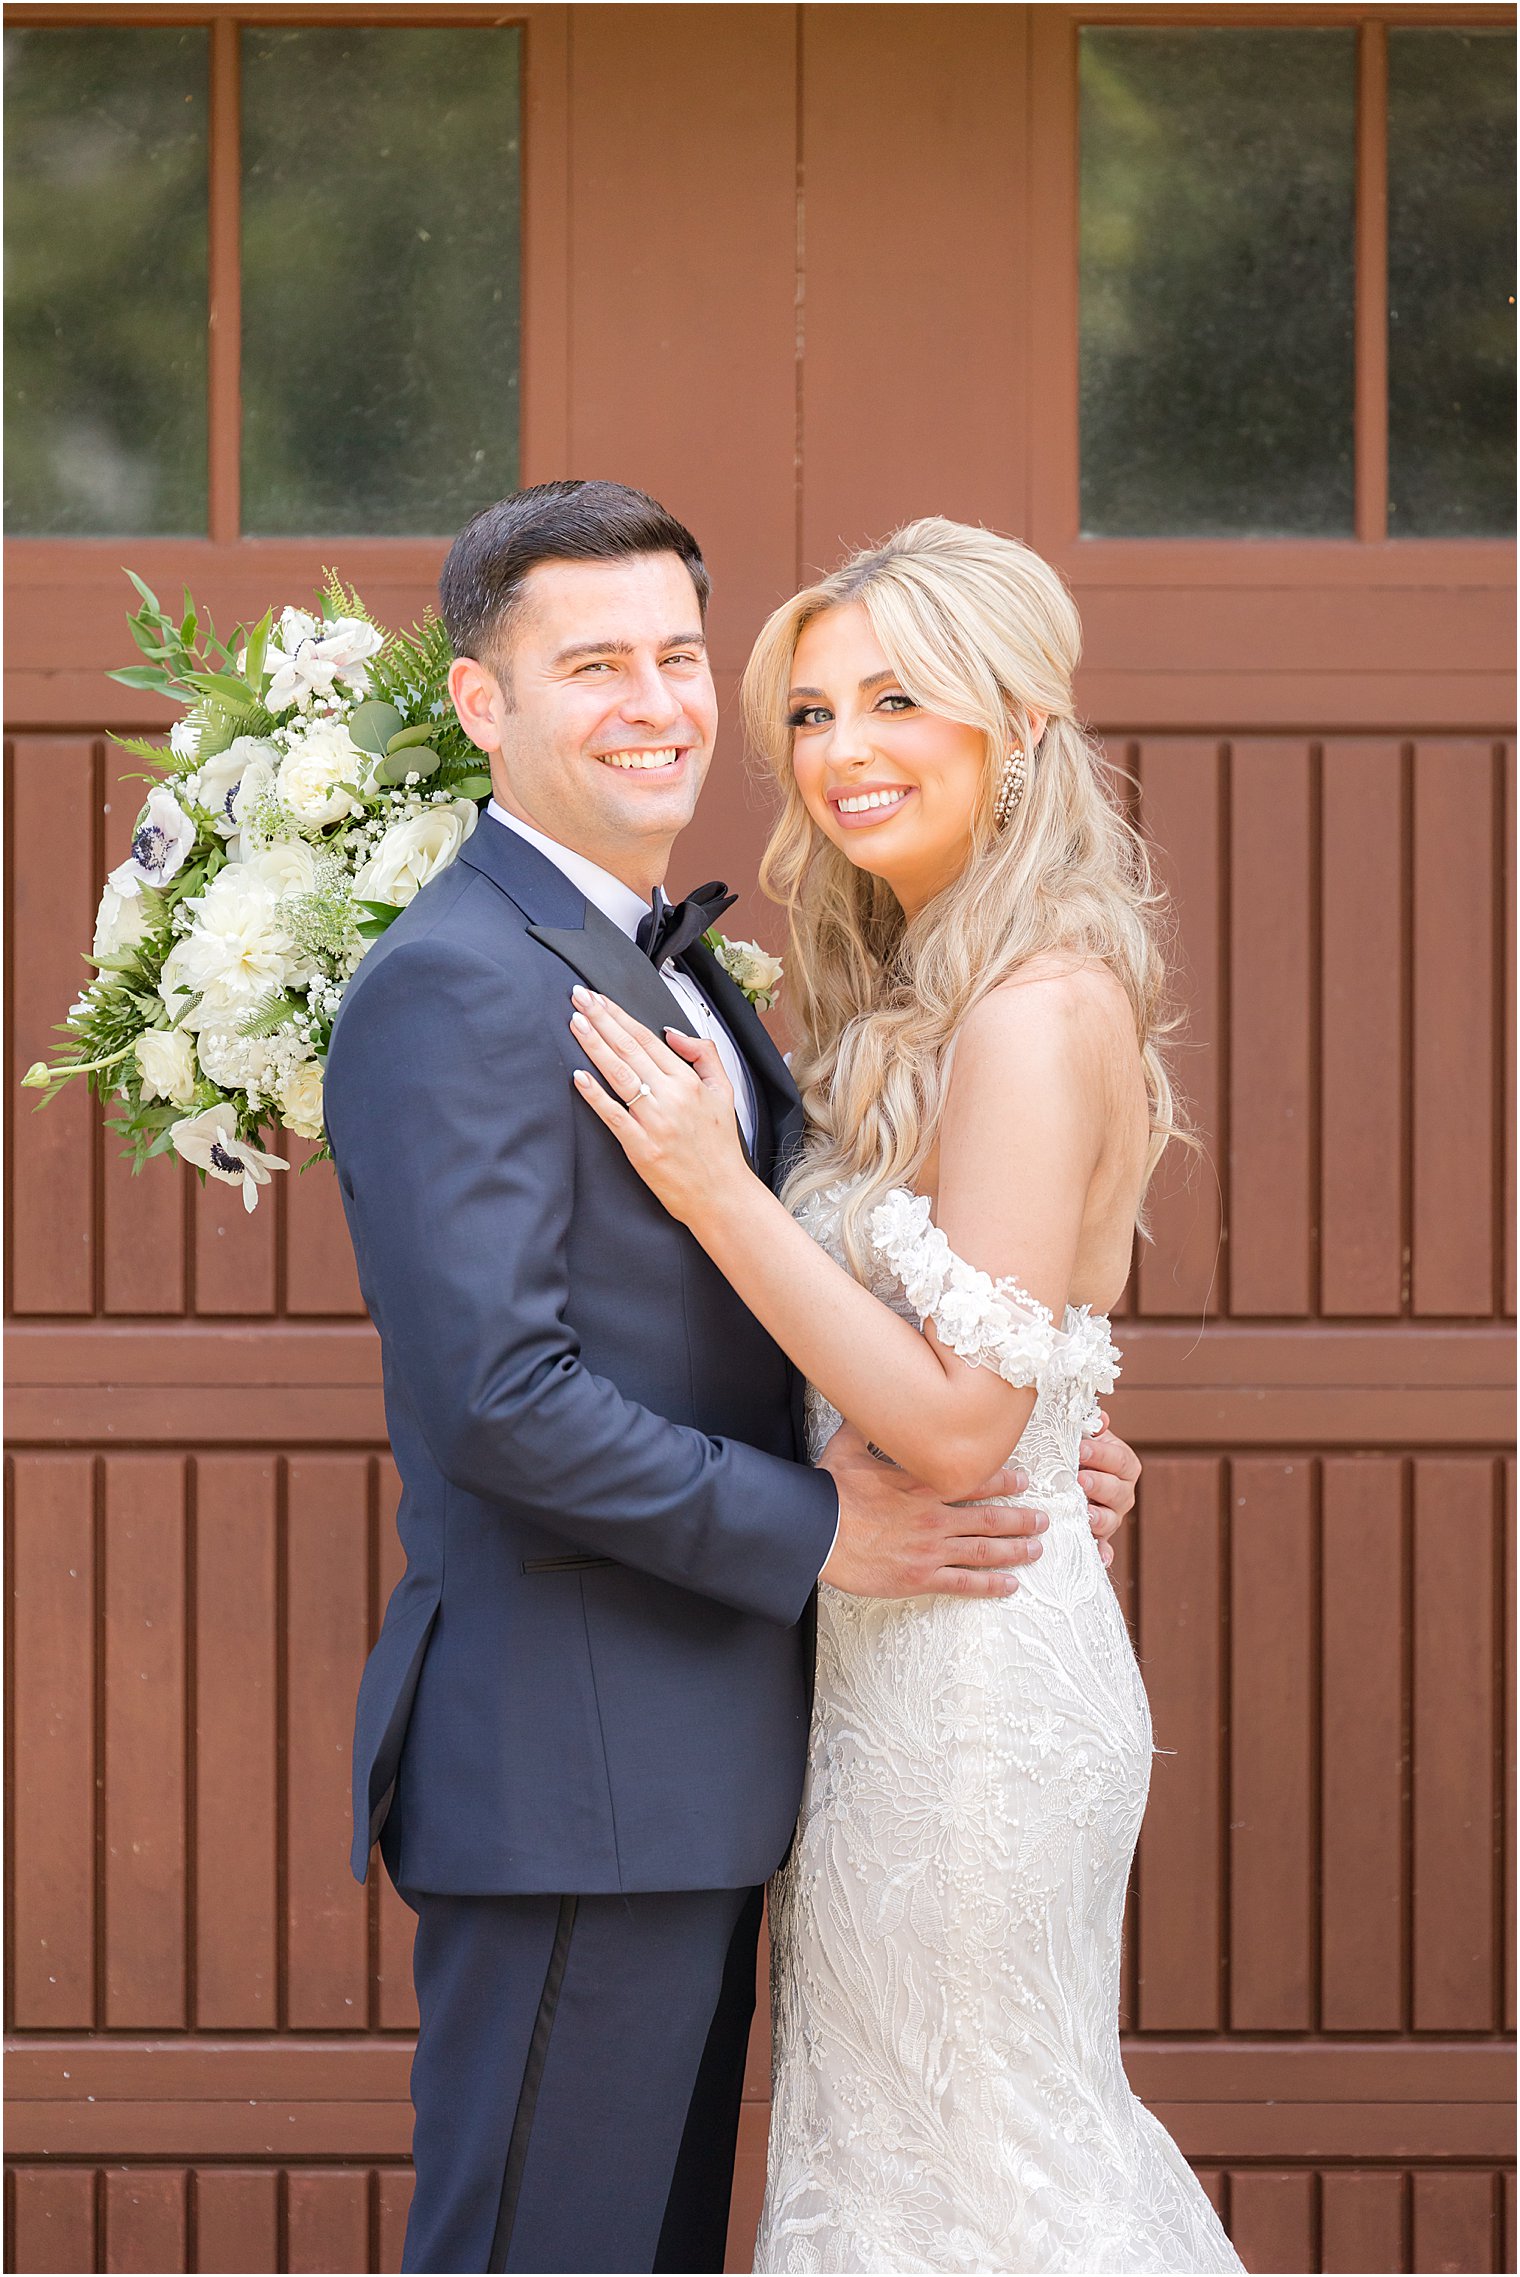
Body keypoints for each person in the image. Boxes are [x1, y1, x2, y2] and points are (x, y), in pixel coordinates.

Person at [322, 482, 1142, 2276]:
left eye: (680, 656)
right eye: (591, 661)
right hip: (574, 1769)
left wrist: (1009, 1431)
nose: (656, 700)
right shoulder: (457, 984)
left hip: (717, 1757)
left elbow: (776, 1326)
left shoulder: (679, 978)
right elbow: (504, 1399)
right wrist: (830, 1523)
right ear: (484, 703)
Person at [569, 517, 1242, 2274]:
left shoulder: (1029, 1006)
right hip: (899, 1666)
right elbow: (1021, 1356)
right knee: (907, 2166)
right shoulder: (937, 990)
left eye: (895, 700)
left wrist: (716, 1188)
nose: (840, 749)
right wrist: (1064, 1427)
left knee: (988, 2175)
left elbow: (952, 1424)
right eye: (808, 712)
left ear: (1017, 723)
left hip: (969, 1695)